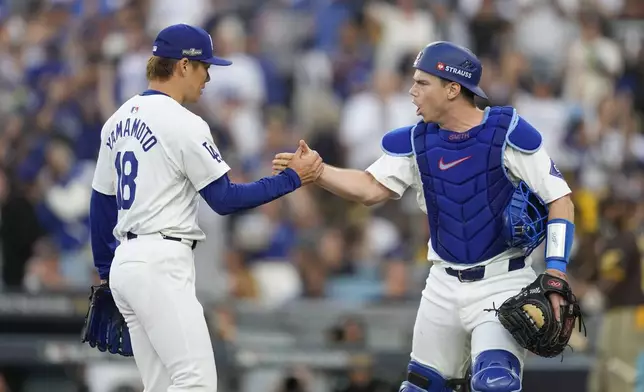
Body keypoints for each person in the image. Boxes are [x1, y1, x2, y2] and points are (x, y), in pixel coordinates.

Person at [272, 41, 576, 391]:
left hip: (502, 282)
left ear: (452, 88)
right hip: (442, 285)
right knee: (419, 388)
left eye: (421, 83)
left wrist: (555, 273)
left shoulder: (507, 131)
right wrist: (318, 172)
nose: (412, 91)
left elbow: (561, 199)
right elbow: (370, 188)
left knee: (495, 384)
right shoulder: (418, 141)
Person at [87, 24, 323, 391]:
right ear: (182, 66)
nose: (209, 76)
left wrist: (107, 271)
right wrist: (291, 179)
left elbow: (101, 202)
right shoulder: (184, 123)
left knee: (163, 385)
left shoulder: (117, 119)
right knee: (195, 383)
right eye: (204, 67)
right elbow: (224, 199)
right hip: (160, 262)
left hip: (127, 265)